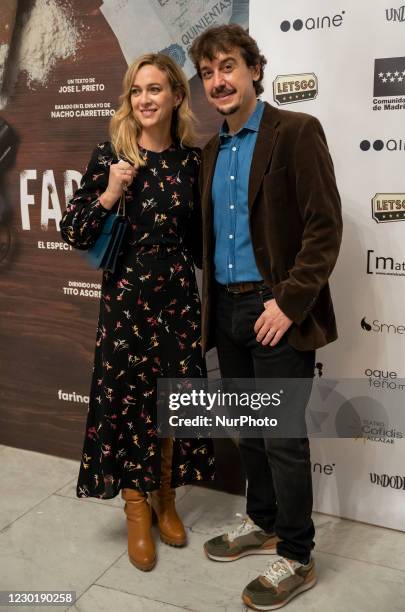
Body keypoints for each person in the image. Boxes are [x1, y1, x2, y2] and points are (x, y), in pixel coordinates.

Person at [189, 25, 342, 610]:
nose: (218, 81)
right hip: (225, 310)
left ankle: (298, 556)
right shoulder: (211, 152)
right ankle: (264, 520)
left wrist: (289, 302)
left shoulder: (297, 133)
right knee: (250, 433)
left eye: (228, 66)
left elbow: (324, 229)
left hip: (274, 310)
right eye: (207, 73)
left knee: (283, 440)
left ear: (255, 69)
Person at [60, 53, 215, 572]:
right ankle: (135, 508)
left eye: (155, 89)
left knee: (173, 398)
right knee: (127, 400)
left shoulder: (192, 162)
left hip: (176, 297)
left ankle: (165, 497)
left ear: (175, 96)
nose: (145, 99)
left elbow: (202, 242)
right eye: (136, 91)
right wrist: (109, 192)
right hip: (126, 300)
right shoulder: (112, 154)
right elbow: (74, 230)